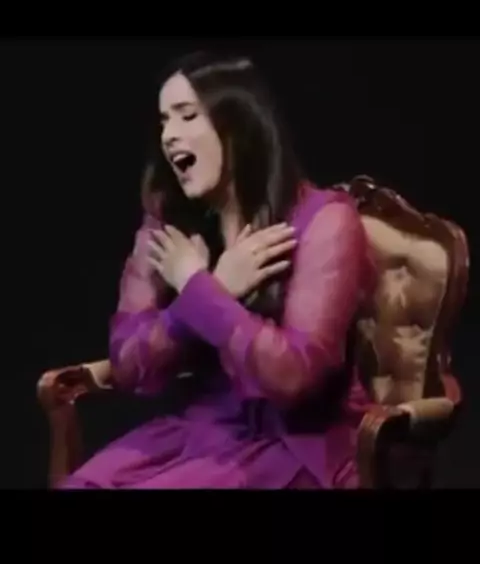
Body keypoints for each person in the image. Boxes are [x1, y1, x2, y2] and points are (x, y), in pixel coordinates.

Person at [59, 51, 375, 489]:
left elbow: (293, 378)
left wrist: (198, 289)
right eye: (164, 121)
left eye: (187, 115)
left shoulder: (325, 221)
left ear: (239, 124)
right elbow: (128, 365)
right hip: (202, 432)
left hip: (295, 444)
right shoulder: (169, 227)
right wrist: (214, 288)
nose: (169, 135)